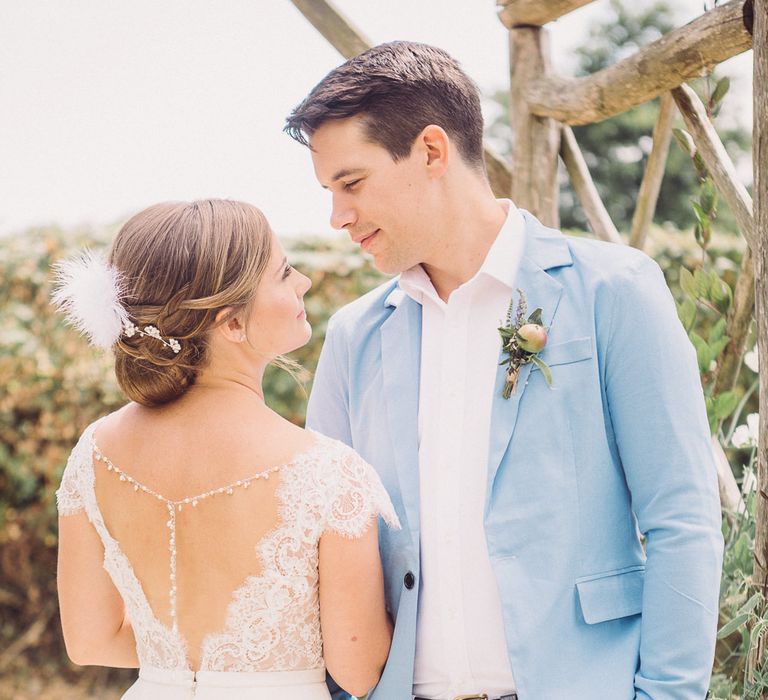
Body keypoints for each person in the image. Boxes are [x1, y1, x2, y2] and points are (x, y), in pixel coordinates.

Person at [285, 41, 724, 700]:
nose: (338, 217)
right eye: (329, 192)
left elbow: (681, 519)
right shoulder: (355, 336)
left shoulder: (615, 291)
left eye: (352, 183)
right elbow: (326, 545)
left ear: (432, 151)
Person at [53, 199, 399, 700]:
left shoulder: (95, 454)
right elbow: (360, 668)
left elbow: (89, 640)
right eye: (283, 273)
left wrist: (179, 659)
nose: (303, 282)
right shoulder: (326, 471)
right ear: (231, 323)